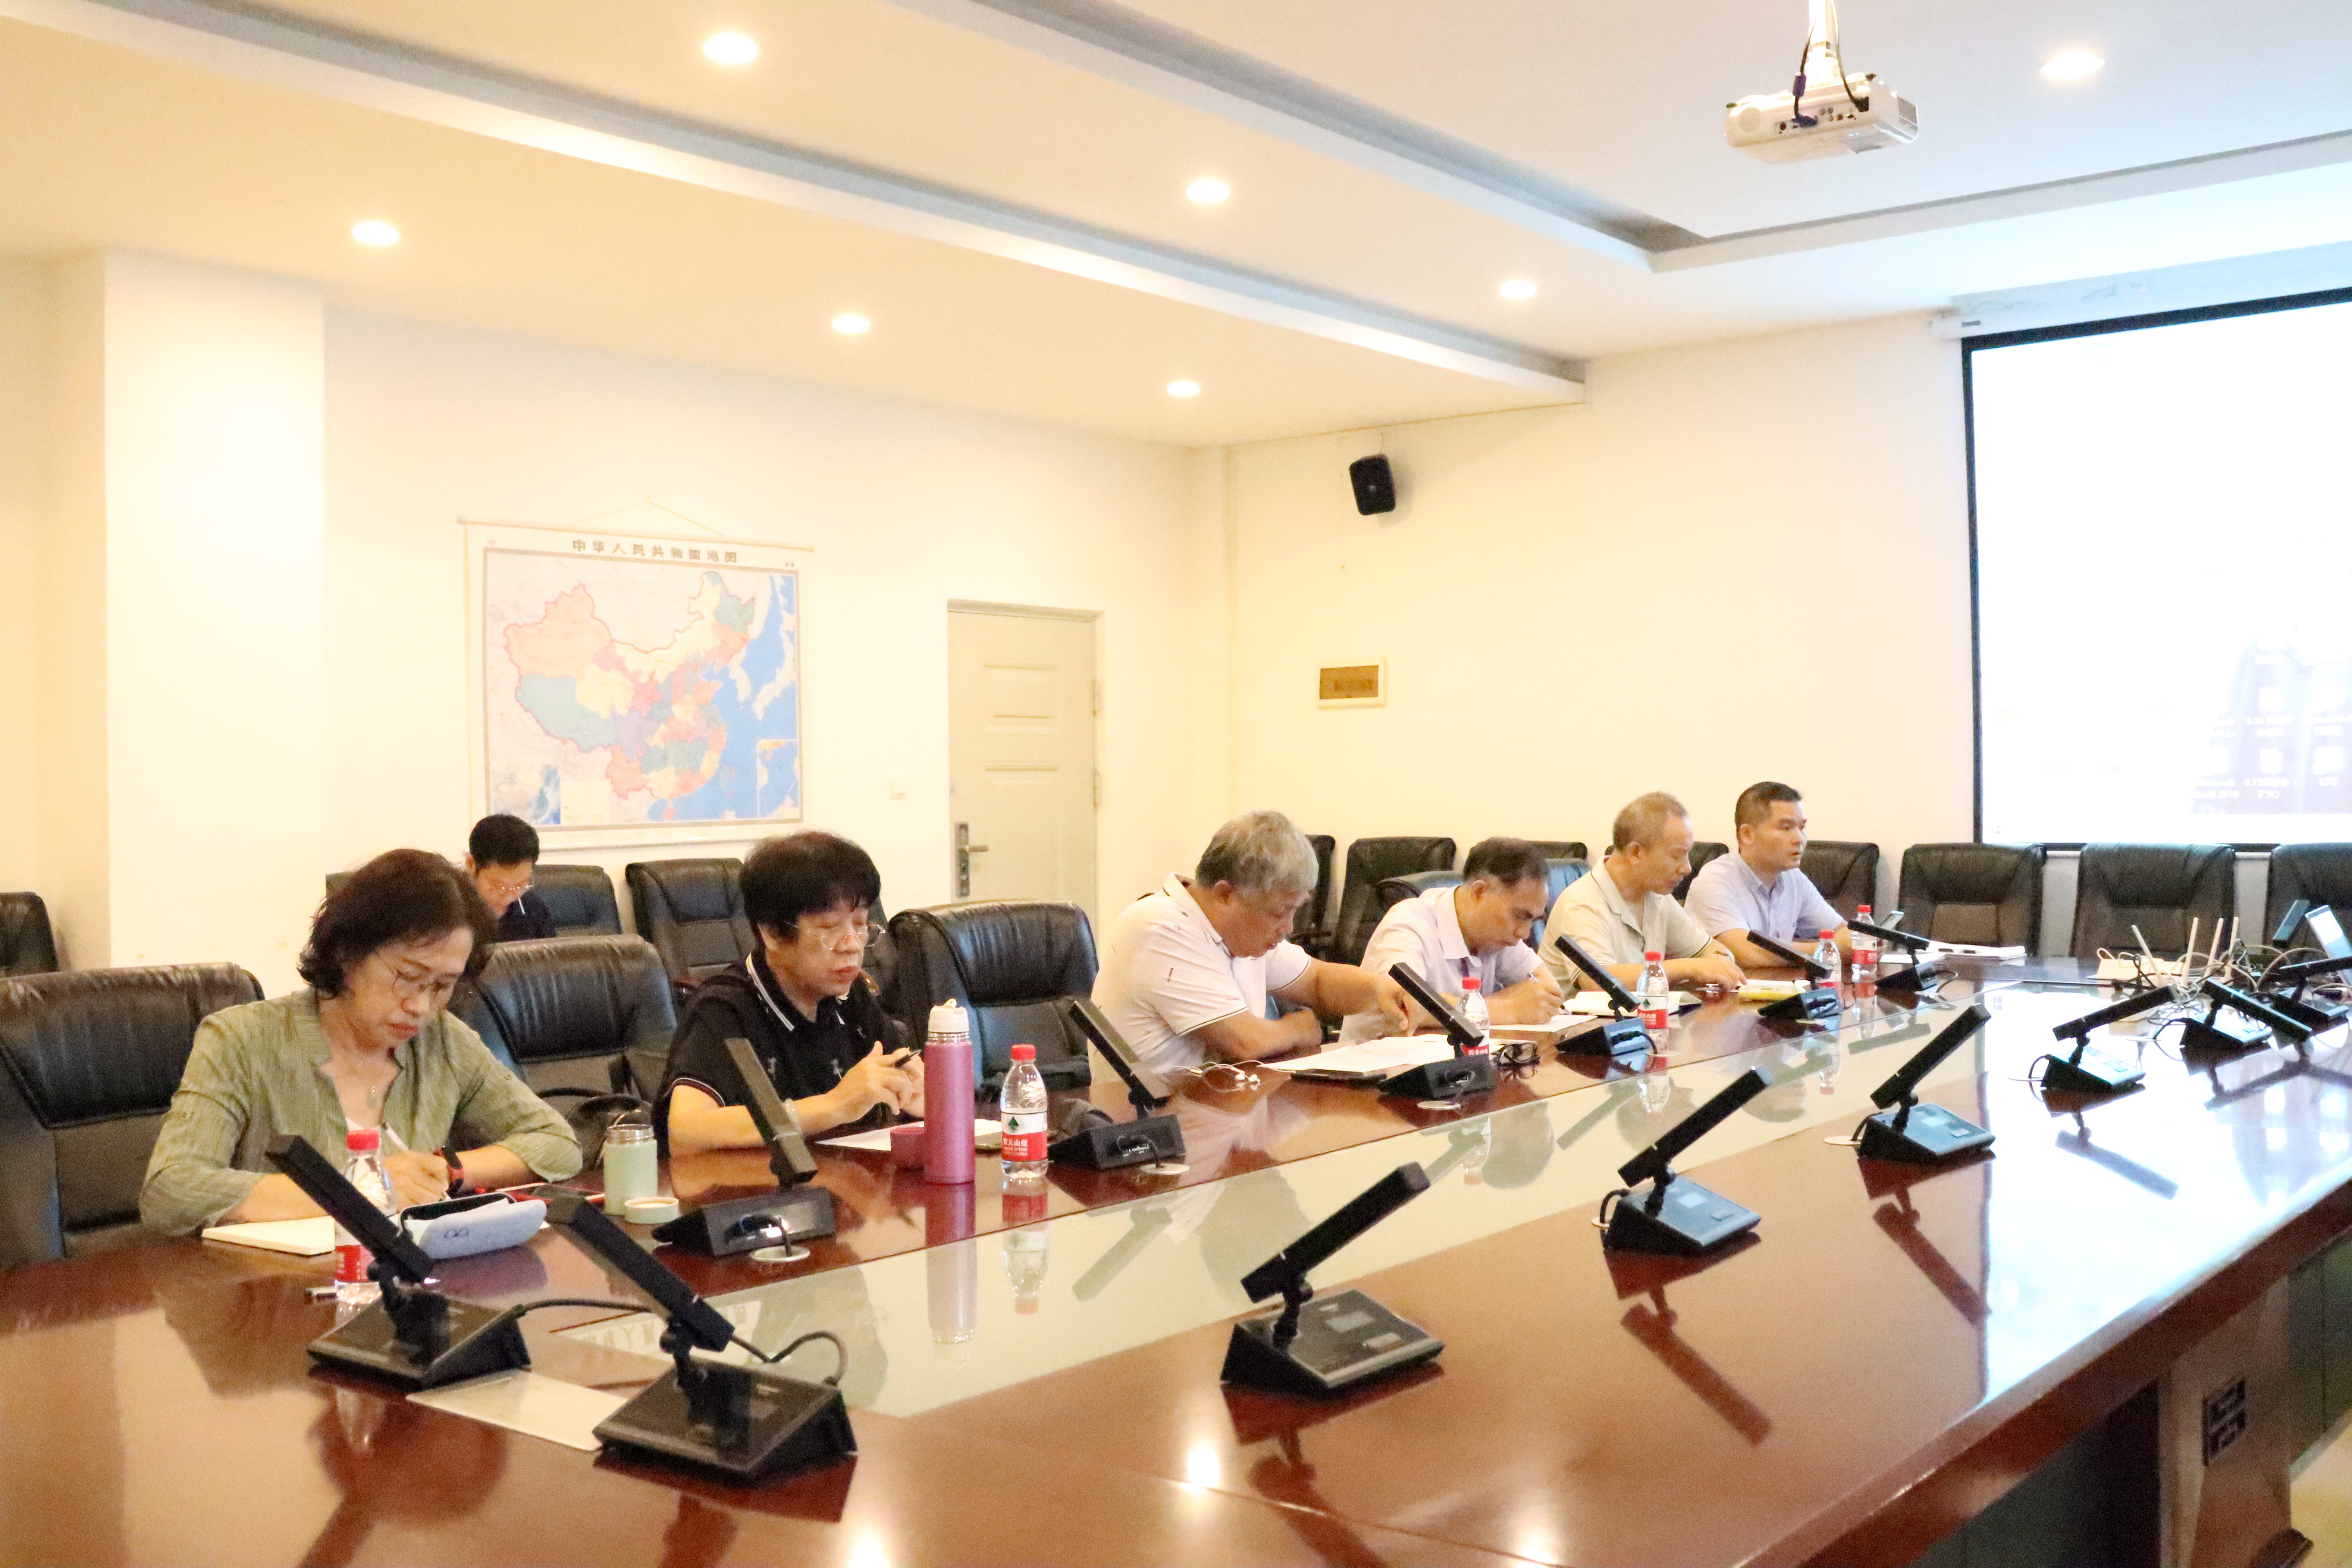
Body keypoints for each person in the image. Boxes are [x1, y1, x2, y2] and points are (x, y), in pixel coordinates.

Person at [139, 849, 582, 1235]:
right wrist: (359, 1191)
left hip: (408, 1285)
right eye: (407, 977)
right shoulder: (241, 1040)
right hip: (274, 1293)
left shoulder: (442, 1042)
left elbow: (557, 1142)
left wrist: (447, 1170)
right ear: (348, 954)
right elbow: (172, 1191)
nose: (421, 1006)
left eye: (443, 985)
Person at [1093, 809, 1412, 1076]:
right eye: (1280, 912)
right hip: (1149, 1123)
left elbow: (1317, 981)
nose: (1289, 927)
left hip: (1222, 1108)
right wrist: (1299, 1028)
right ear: (1225, 894)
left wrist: (1379, 990)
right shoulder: (1161, 927)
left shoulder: (1241, 931)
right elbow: (1243, 1042)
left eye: (1295, 911)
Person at [661, 831, 922, 1156]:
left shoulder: (850, 994)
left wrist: (916, 1093)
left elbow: (899, 1078)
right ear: (772, 933)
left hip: (843, 1178)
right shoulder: (726, 1007)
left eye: (860, 925)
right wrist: (834, 1106)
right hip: (754, 1186)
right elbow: (686, 1131)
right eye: (830, 929)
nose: (852, 945)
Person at [1339, 837, 1563, 1042]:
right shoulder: (1408, 925)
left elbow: (1550, 992)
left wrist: (1456, 1009)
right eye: (1520, 916)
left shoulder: (1498, 933)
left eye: (1533, 920)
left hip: (1454, 1061)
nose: (1525, 934)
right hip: (1375, 1066)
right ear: (1479, 892)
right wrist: (1511, 1009)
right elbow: (1404, 1003)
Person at [1540, 791, 1746, 994]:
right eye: (1677, 855)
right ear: (1636, 852)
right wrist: (1689, 968)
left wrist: (1718, 963)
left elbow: (1709, 950)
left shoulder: (1657, 896)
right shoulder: (1581, 902)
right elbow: (1599, 981)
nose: (1687, 868)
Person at [1683, 781, 1852, 971]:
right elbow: (1744, 953)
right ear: (1747, 834)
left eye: (1802, 828)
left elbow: (1842, 932)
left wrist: (1852, 943)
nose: (1799, 839)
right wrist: (1829, 949)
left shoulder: (1794, 878)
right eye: (1786, 828)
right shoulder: (1714, 881)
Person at [466, 813, 556, 942]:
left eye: (521, 885)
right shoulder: (449, 910)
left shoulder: (533, 908)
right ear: (471, 865)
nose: (509, 898)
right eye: (498, 886)